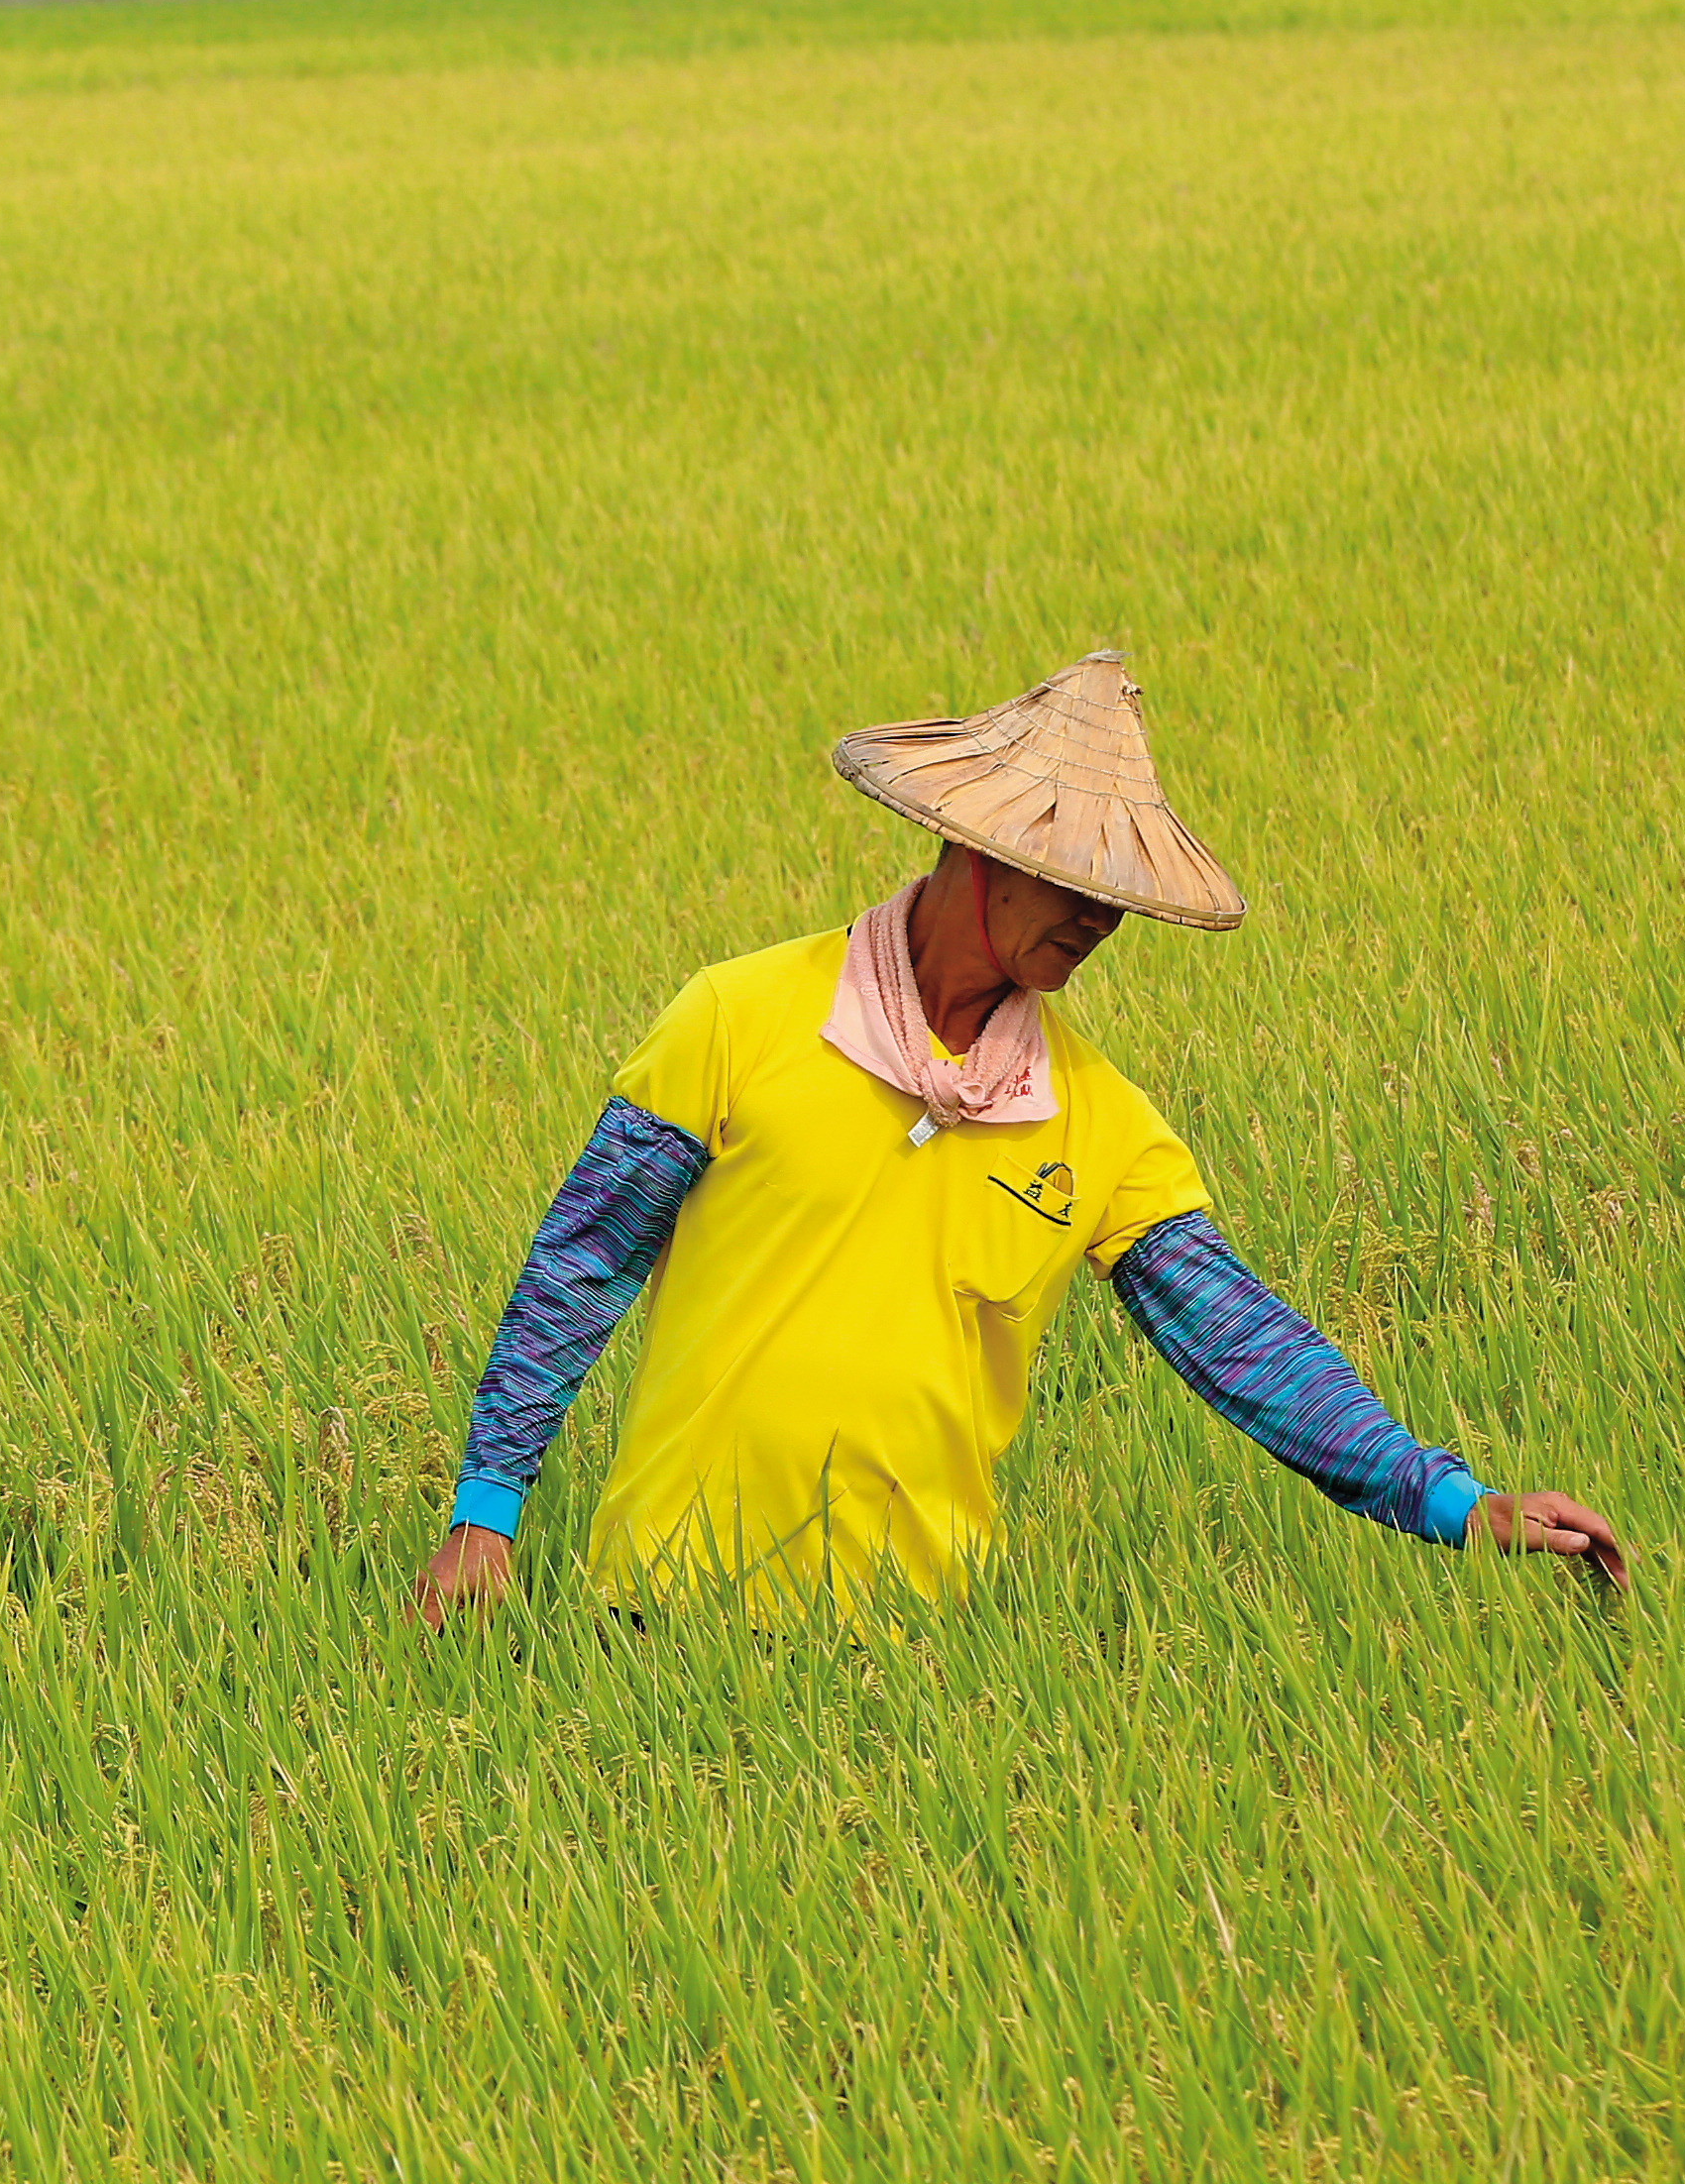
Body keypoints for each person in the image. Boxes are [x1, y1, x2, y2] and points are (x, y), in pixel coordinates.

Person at [411, 650, 1624, 1626]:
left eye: (1118, 897)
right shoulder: (740, 1016)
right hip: (662, 1612)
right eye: (1069, 879)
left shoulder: (1102, 1123)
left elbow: (1243, 1344)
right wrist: (485, 1512)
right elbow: (583, 1263)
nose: (1098, 919)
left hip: (917, 1643)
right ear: (972, 848)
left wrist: (1451, 1502)